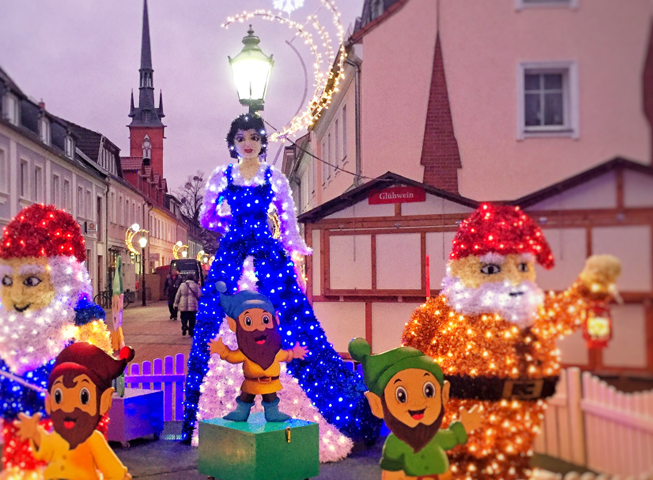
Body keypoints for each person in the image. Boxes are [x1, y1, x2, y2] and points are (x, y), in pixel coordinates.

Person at [181, 113, 380, 445]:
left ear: (261, 143)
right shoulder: (221, 175)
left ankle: (289, 403)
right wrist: (228, 222)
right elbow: (207, 216)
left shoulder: (275, 177)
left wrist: (297, 245)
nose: (247, 144)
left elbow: (287, 219)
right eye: (242, 138)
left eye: (254, 138)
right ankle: (214, 408)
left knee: (288, 316)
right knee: (218, 318)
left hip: (266, 253)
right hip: (232, 253)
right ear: (233, 142)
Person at [403, 203, 621, 480]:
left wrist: (590, 287)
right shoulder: (441, 314)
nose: (511, 281)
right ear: (464, 268)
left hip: (517, 432)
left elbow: (566, 309)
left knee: (510, 470)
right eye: (493, 268)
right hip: (456, 434)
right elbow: (408, 356)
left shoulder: (530, 314)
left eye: (521, 267)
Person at [0, 204, 113, 474]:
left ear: (62, 278)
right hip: (16, 415)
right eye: (8, 281)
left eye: (31, 281)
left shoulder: (81, 317)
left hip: (69, 418)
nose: (17, 296)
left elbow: (102, 367)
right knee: (21, 466)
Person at [349, 338, 482, 480]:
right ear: (378, 406)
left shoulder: (435, 436)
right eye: (401, 396)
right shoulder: (395, 444)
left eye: (428, 391)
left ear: (443, 394)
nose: (417, 402)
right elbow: (392, 473)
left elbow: (453, 438)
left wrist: (463, 427)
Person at [15, 342, 135, 480]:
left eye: (84, 397)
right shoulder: (57, 435)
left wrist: (120, 476)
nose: (69, 407)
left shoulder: (92, 439)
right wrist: (35, 434)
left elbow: (110, 467)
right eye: (58, 397)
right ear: (49, 401)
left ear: (104, 401)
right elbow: (47, 449)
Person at [208, 281, 307, 421]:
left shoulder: (273, 350)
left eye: (265, 320)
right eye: (248, 322)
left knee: (271, 397)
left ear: (275, 321)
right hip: (250, 381)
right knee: (246, 397)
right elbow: (232, 356)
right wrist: (223, 351)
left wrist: (294, 353)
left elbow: (285, 355)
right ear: (234, 325)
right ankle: (241, 412)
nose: (260, 328)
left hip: (270, 383)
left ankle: (272, 413)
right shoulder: (245, 351)